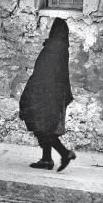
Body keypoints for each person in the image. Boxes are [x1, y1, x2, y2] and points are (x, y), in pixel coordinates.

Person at [19, 17, 76, 172]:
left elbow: (39, 74)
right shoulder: (63, 49)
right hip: (56, 95)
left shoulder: (51, 49)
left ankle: (65, 153)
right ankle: (46, 160)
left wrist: (27, 96)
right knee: (46, 127)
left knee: (40, 126)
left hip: (44, 94)